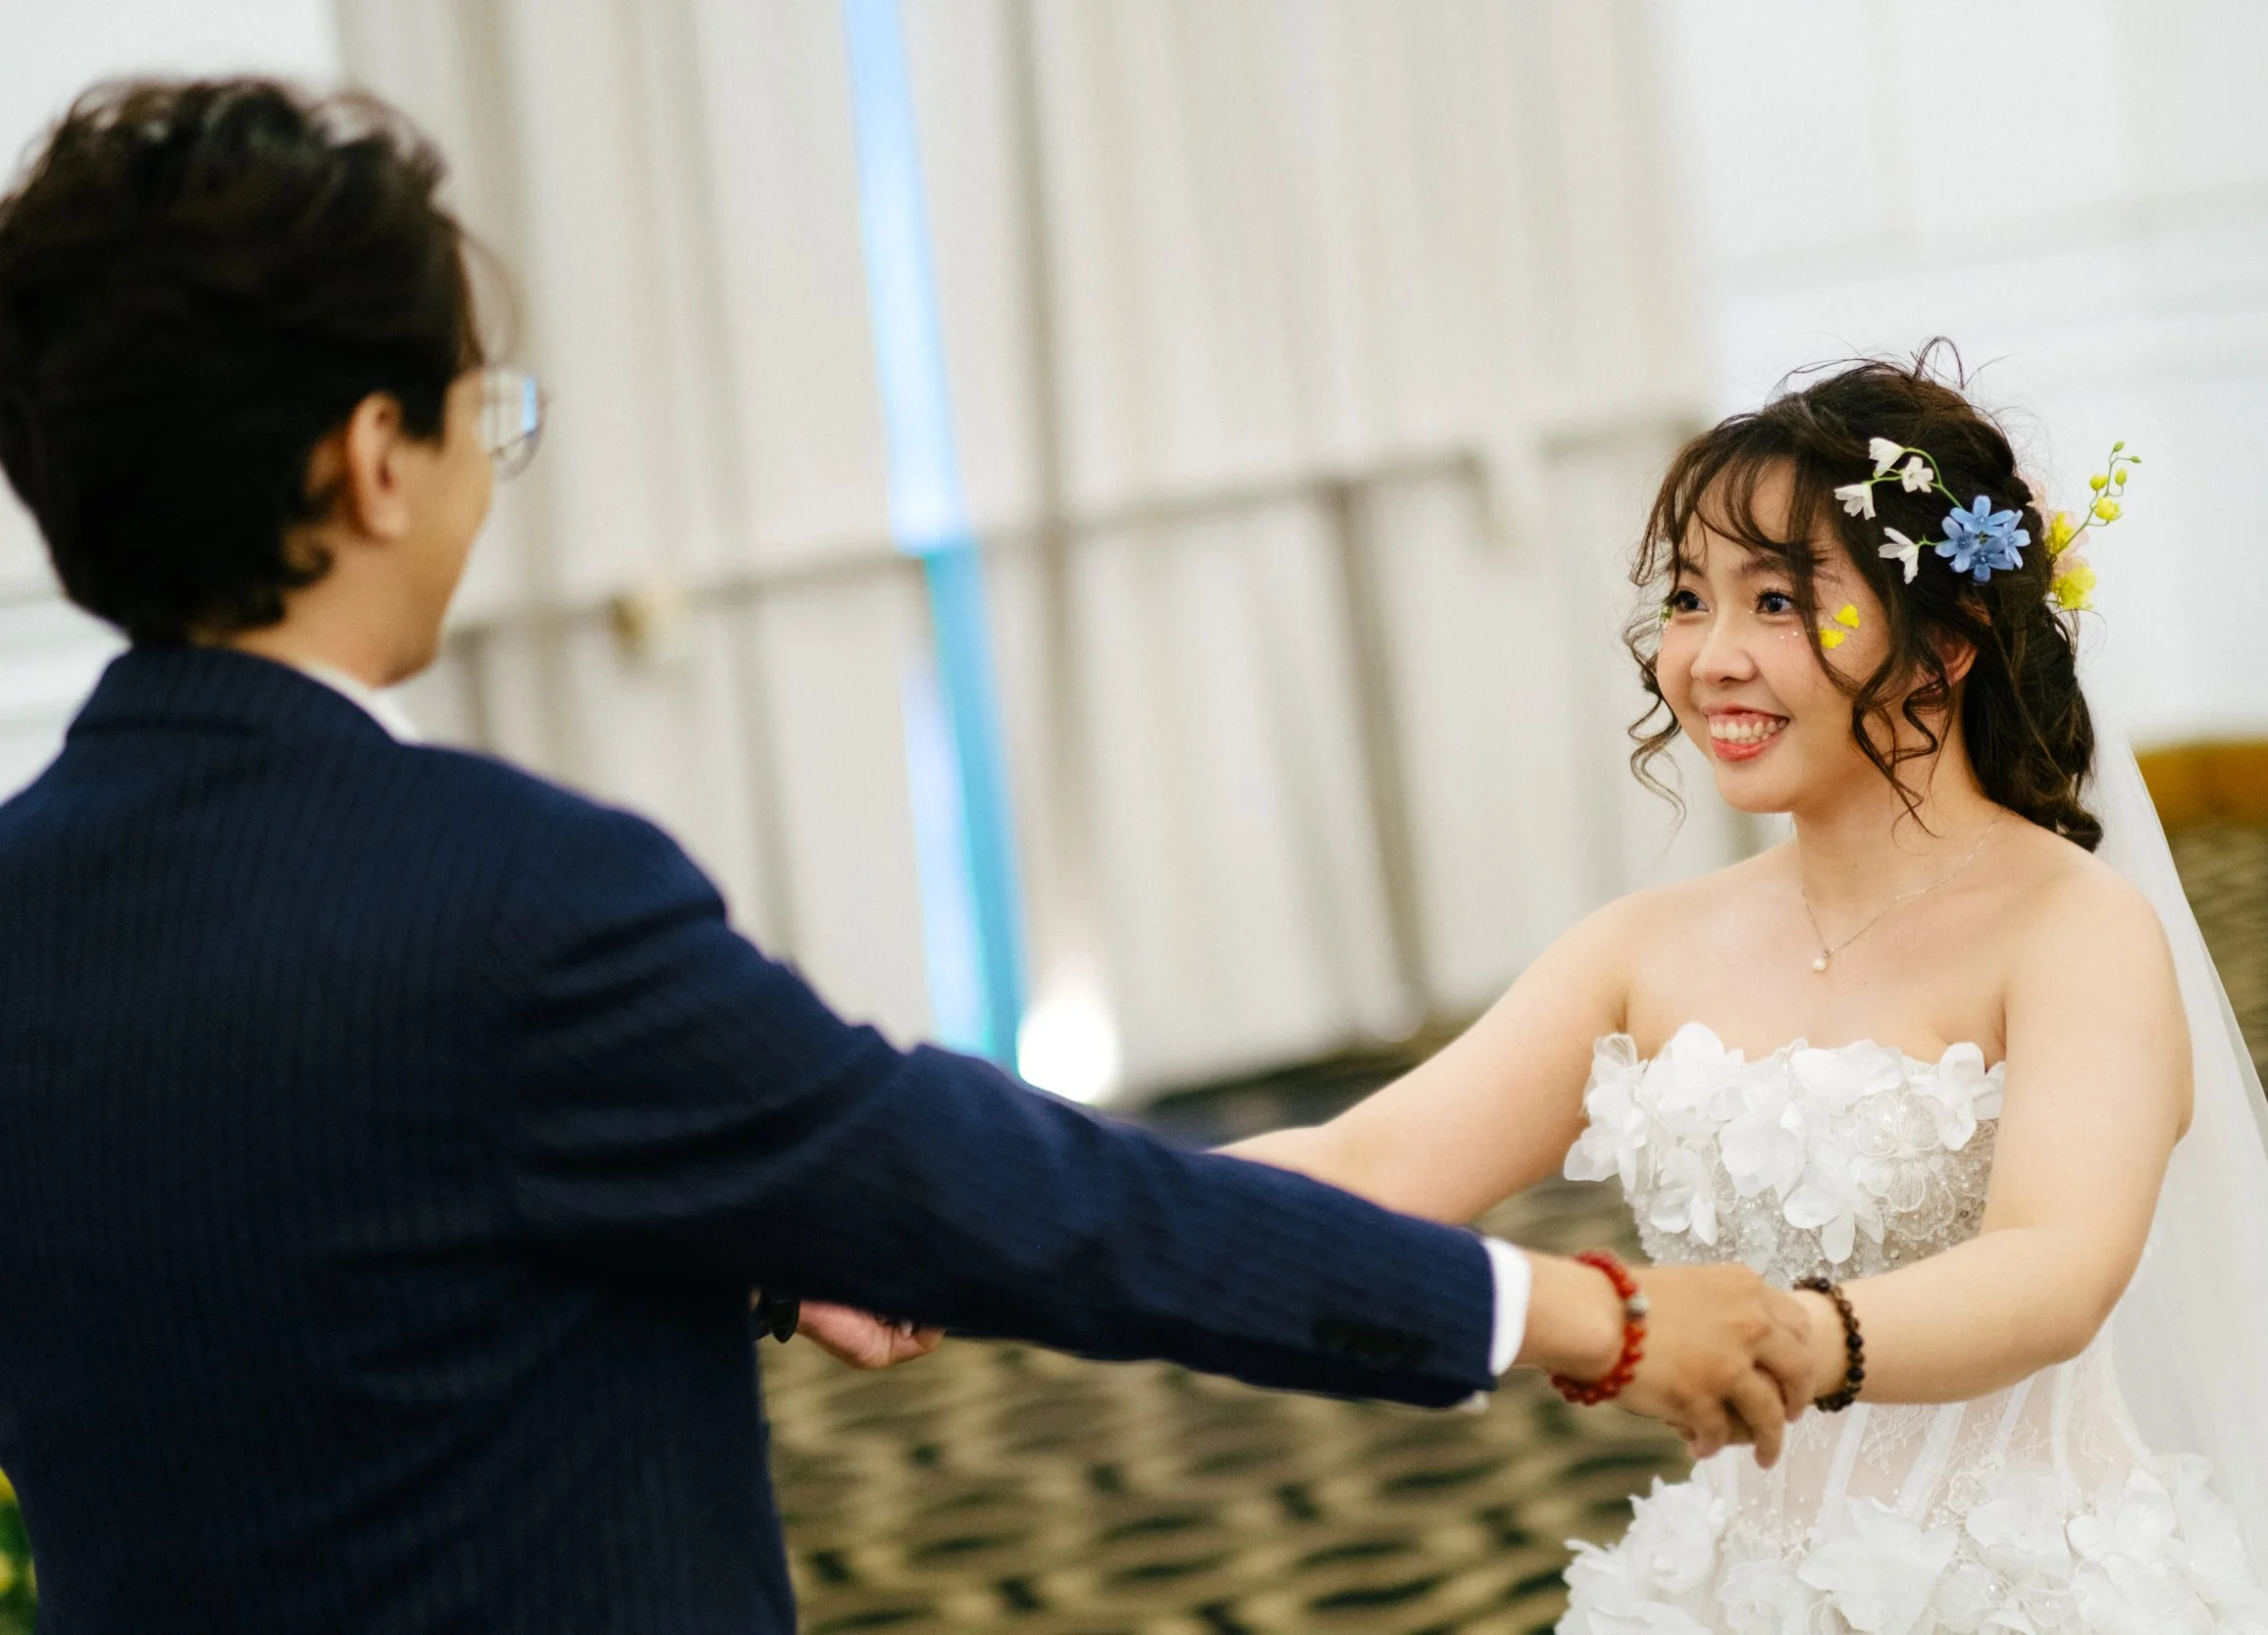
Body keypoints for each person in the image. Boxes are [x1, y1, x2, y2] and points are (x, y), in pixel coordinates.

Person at [0, 78, 1816, 1634]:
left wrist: (747, 1244)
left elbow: (285, 1246)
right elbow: (1030, 1202)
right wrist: (1572, 1307)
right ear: (375, 461)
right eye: (486, 414)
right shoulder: (514, 900)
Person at [1227, 357, 2268, 1633]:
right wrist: (1114, 1193)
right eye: (1690, 599)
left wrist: (1786, 1340)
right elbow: (1368, 1160)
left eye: (1777, 602)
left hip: (2032, 1595)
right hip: (1727, 1592)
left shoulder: (2075, 929)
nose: (1710, 659)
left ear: (1948, 642)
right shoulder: (1639, 949)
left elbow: (2057, 1263)